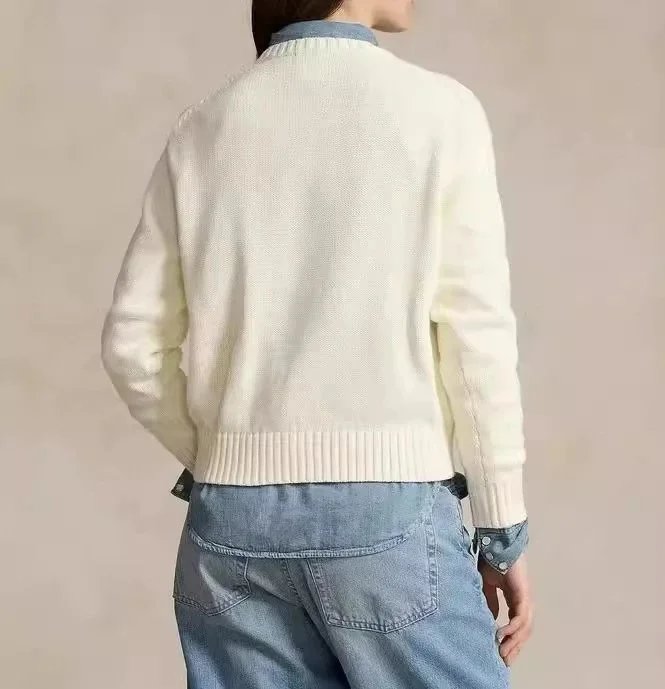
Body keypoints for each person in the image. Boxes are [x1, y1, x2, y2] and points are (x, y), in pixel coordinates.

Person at [100, 1, 534, 687]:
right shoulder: (439, 112)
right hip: (388, 523)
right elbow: (476, 338)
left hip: (231, 527)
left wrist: (226, 458)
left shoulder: (205, 126)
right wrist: (502, 528)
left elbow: (132, 344)